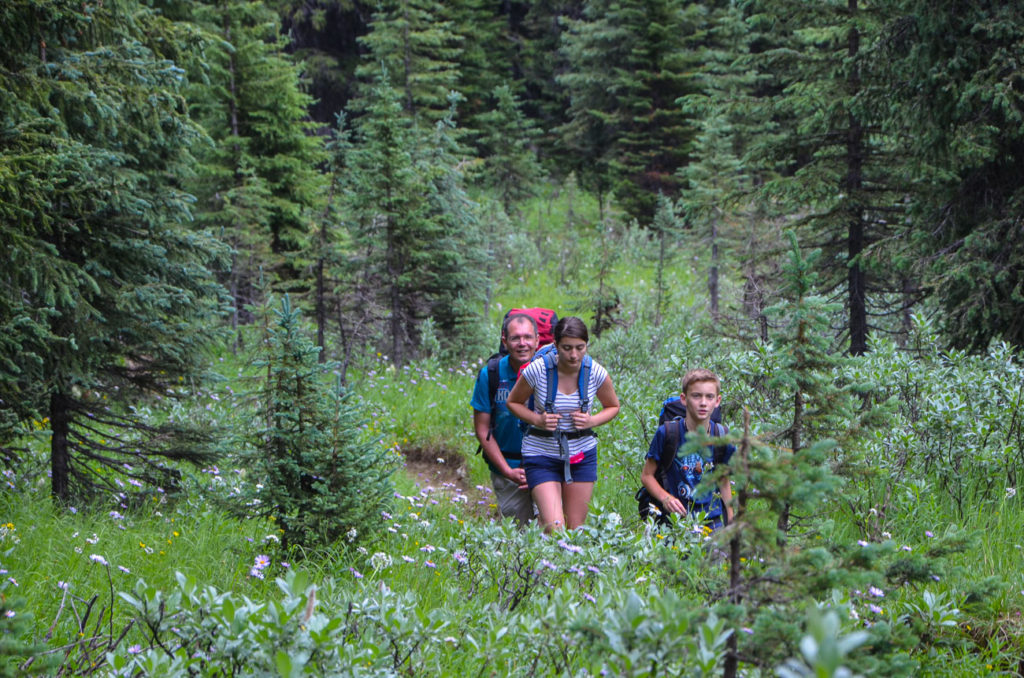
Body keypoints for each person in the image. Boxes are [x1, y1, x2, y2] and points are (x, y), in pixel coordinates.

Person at [506, 317, 620, 531]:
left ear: (587, 345)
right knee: (554, 526)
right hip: (541, 453)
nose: (574, 355)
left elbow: (613, 406)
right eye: (567, 348)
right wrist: (537, 419)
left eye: (580, 348)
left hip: (581, 454)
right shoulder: (537, 370)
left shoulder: (595, 372)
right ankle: (541, 555)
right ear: (555, 346)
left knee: (575, 529)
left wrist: (591, 420)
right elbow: (513, 402)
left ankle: (559, 564)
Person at [640, 368, 735, 530]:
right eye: (696, 396)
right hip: (672, 522)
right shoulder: (667, 433)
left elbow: (724, 481)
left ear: (717, 401)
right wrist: (666, 498)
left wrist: (731, 523)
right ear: (684, 399)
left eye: (709, 397)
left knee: (716, 556)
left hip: (711, 522)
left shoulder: (722, 436)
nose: (703, 402)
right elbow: (647, 475)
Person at [470, 313, 540, 525]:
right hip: (506, 467)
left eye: (528, 337)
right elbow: (483, 430)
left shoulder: (550, 373)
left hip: (545, 466)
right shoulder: (490, 374)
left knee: (551, 530)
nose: (522, 344)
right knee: (518, 535)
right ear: (504, 340)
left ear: (537, 341)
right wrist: (508, 471)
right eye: (515, 338)